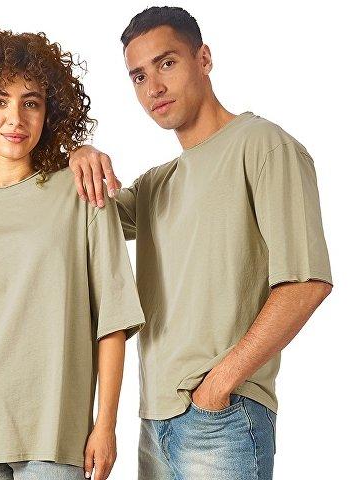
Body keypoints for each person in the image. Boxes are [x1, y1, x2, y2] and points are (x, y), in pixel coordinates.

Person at [69, 6, 334, 480]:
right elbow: (84, 214)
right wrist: (79, 152)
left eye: (167, 63)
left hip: (222, 418)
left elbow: (306, 282)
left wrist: (220, 384)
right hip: (155, 421)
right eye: (138, 76)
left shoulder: (263, 145)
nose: (154, 87)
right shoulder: (157, 183)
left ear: (204, 58)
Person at [0, 27, 145, 480]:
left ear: (48, 111)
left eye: (30, 102)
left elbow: (112, 319)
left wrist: (106, 424)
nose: (15, 118)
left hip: (54, 435)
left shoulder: (81, 191)